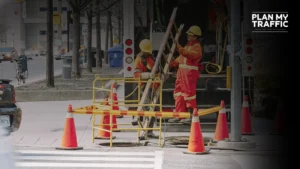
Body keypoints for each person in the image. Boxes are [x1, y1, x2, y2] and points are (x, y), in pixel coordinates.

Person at [168, 25, 203, 124]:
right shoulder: (188, 45)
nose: (188, 36)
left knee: (189, 94)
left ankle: (191, 115)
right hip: (182, 73)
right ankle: (180, 115)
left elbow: (189, 55)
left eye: (190, 35)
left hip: (189, 74)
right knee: (178, 93)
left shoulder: (197, 47)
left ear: (195, 36)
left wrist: (179, 47)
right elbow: (181, 58)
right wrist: (173, 63)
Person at [133, 39, 160, 139]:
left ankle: (149, 131)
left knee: (155, 108)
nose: (148, 52)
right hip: (146, 87)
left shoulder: (151, 57)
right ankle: (145, 131)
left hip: (154, 87)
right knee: (148, 108)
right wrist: (148, 75)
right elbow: (136, 75)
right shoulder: (139, 59)